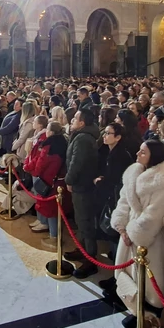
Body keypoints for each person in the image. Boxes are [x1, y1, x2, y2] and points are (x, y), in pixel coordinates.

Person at [111, 139, 164, 316]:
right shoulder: (134, 172)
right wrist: (122, 228)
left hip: (150, 238)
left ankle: (149, 319)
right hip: (129, 232)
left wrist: (134, 233)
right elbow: (124, 201)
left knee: (150, 283)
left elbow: (154, 215)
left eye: (143, 152)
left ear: (153, 156)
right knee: (131, 278)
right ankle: (135, 312)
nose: (137, 154)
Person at [63, 108, 102, 278]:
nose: (72, 120)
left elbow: (76, 162)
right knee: (80, 220)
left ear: (82, 122)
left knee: (85, 222)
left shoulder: (83, 138)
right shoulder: (82, 135)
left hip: (82, 185)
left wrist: (69, 180)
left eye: (75, 118)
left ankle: (90, 259)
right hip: (81, 184)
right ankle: (82, 249)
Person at [25, 120, 68, 245]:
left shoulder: (49, 145)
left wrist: (33, 170)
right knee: (52, 208)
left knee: (50, 210)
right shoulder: (63, 142)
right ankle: (48, 228)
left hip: (49, 180)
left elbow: (41, 163)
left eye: (48, 129)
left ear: (52, 132)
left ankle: (53, 237)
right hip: (58, 179)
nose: (46, 131)